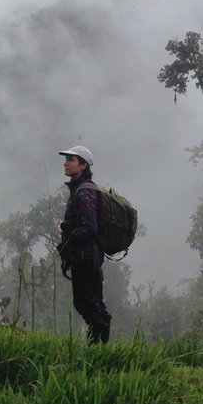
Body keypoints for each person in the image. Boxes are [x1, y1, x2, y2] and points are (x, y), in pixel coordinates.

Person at [57, 144, 112, 343]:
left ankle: (98, 348)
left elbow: (89, 227)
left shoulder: (84, 192)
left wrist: (65, 230)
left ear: (83, 165)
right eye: (66, 159)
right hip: (83, 256)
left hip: (87, 258)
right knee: (85, 303)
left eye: (71, 160)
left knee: (90, 304)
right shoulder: (79, 190)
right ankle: (97, 346)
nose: (66, 163)